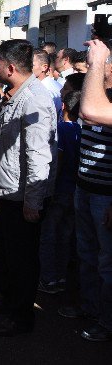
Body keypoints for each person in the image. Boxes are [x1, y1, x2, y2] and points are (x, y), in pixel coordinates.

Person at [0, 39, 58, 337]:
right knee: (5, 255)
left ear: (11, 67)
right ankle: (8, 305)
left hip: (21, 198)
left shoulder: (34, 100)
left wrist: (33, 201)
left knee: (21, 260)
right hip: (6, 192)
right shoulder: (16, 95)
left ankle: (20, 317)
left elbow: (38, 155)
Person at [62, 38, 112, 341]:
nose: (101, 68)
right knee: (87, 254)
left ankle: (106, 323)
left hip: (106, 196)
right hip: (84, 189)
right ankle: (91, 309)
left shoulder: (101, 105)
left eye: (106, 63)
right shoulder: (99, 97)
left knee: (107, 263)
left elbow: (90, 112)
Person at [39, 90, 81, 294]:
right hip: (75, 190)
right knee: (65, 235)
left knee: (49, 234)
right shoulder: (81, 130)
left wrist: (51, 187)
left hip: (60, 190)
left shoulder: (61, 130)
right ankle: (61, 275)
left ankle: (49, 277)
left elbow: (60, 160)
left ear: (63, 106)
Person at [32, 49, 63, 116]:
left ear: (44, 67)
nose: (27, 68)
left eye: (32, 65)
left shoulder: (47, 90)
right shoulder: (39, 86)